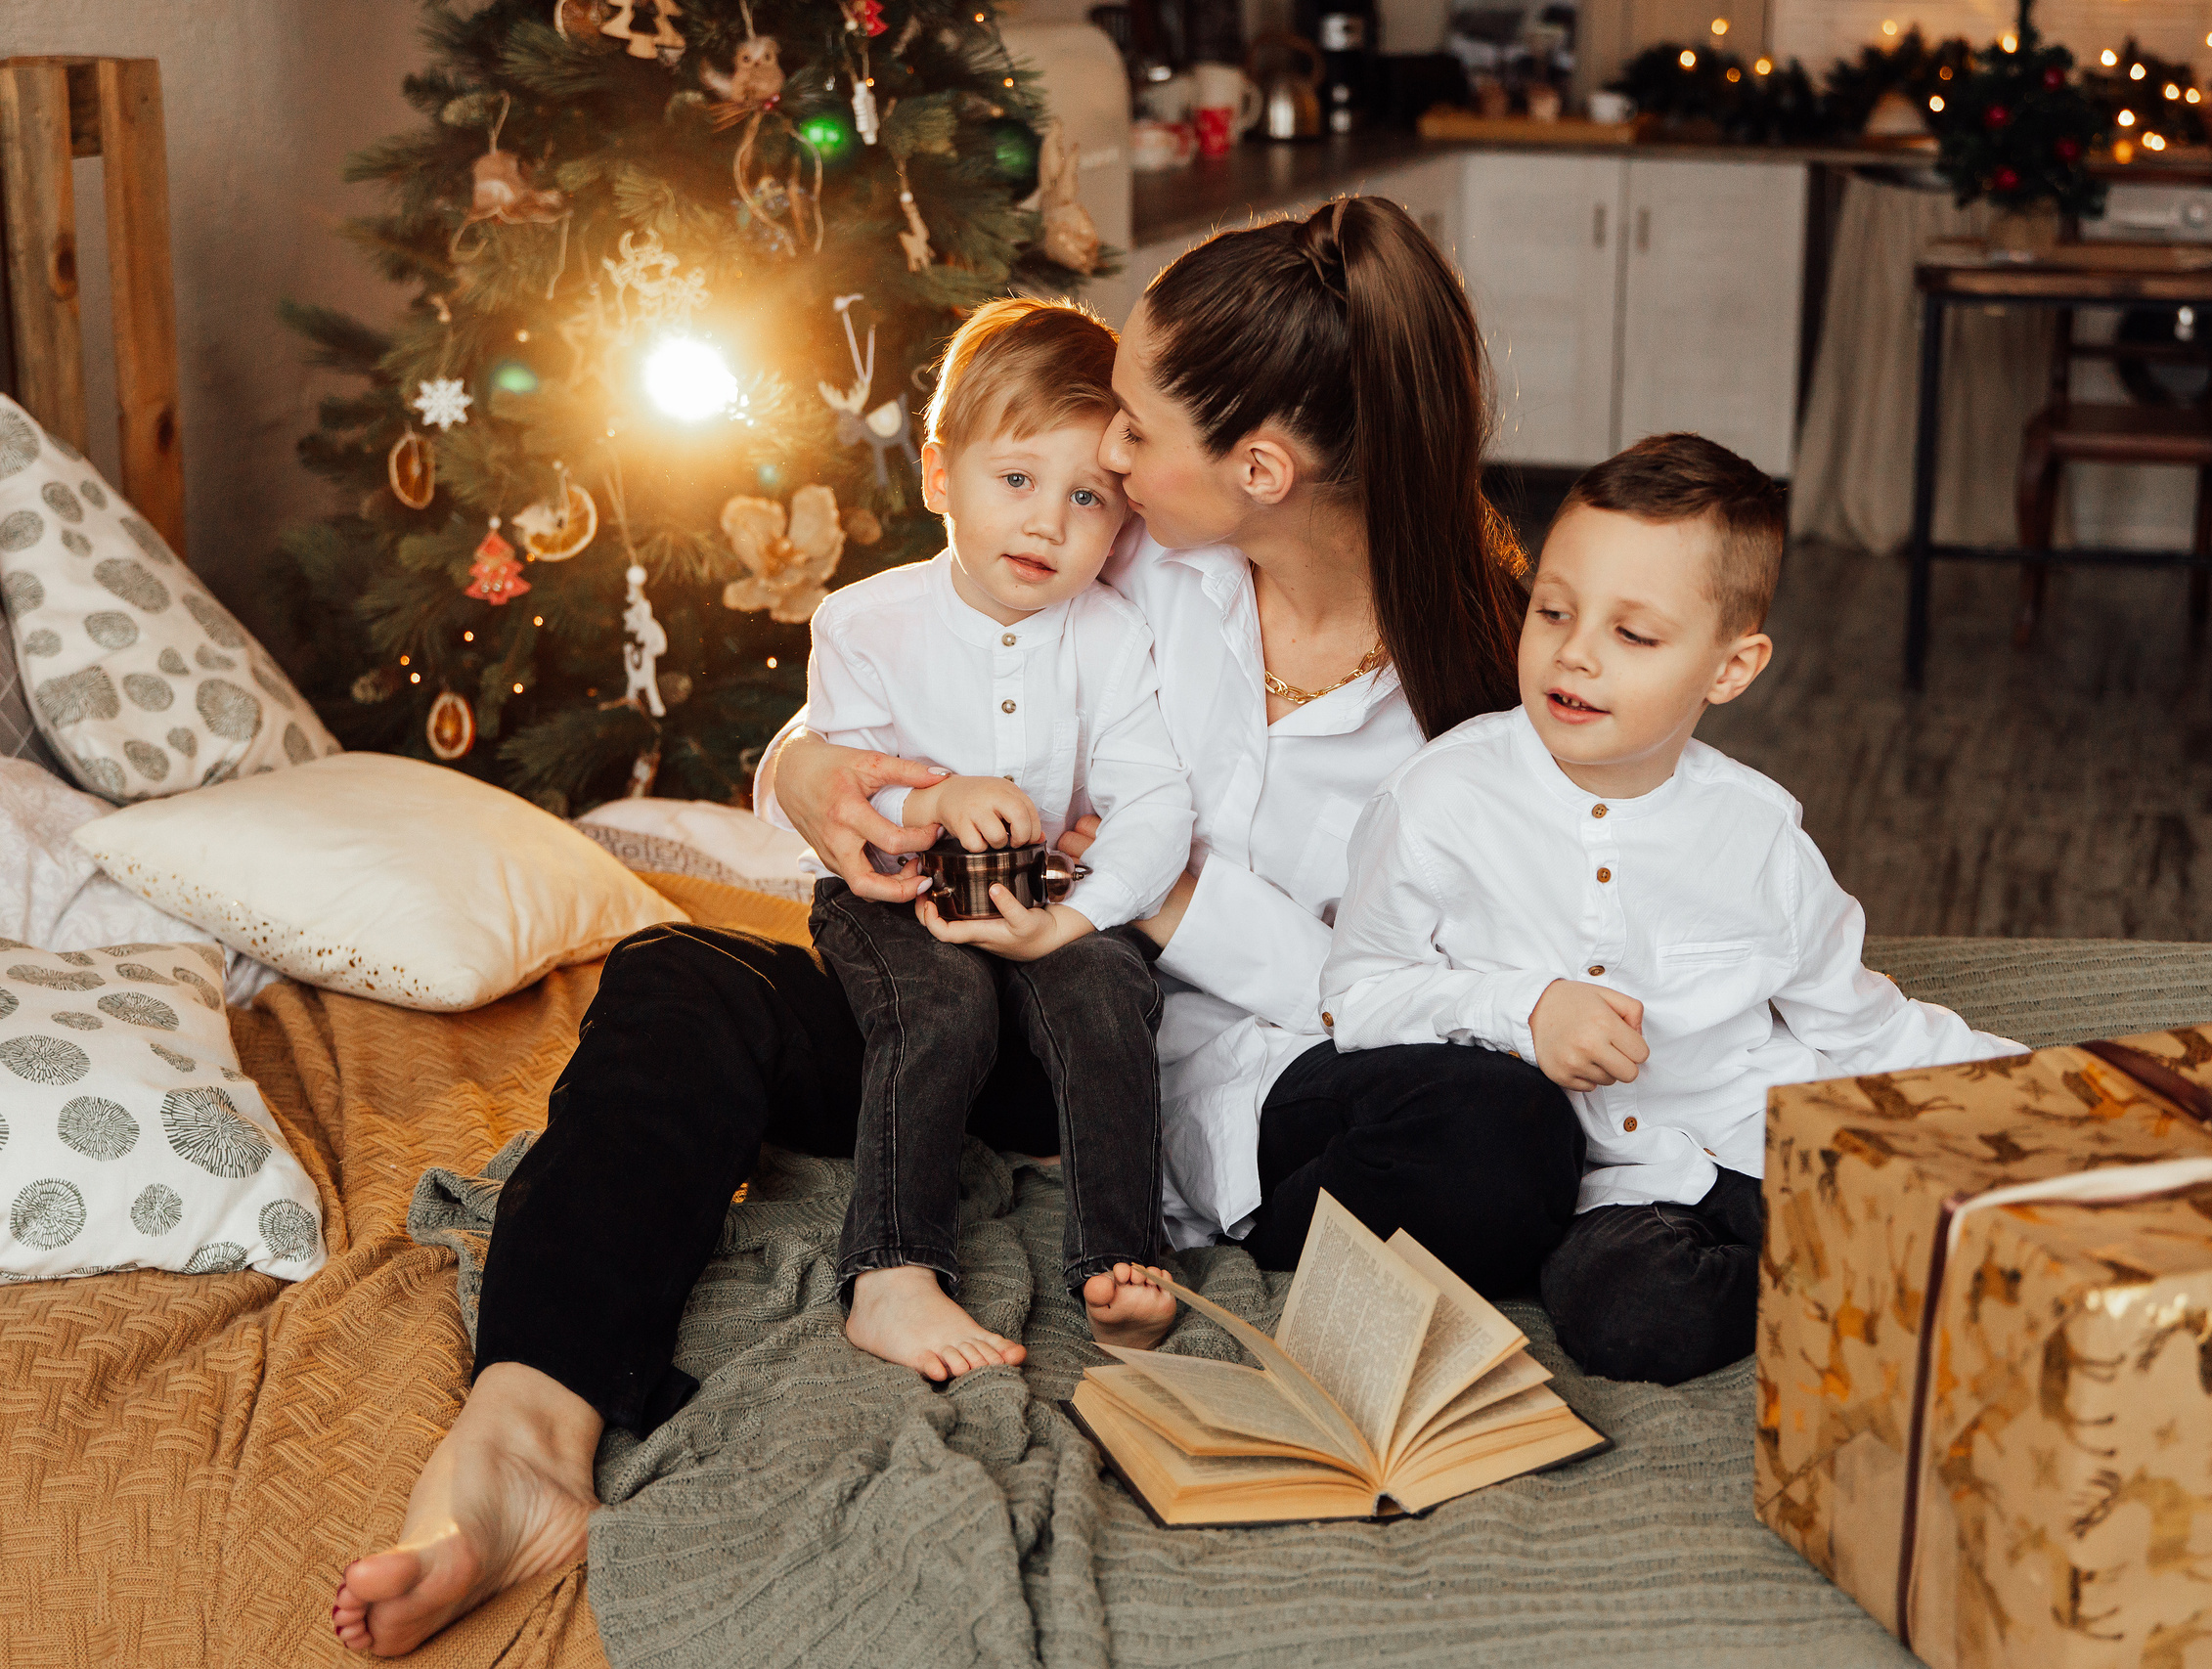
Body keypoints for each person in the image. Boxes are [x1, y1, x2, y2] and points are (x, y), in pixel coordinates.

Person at [333, 196, 1577, 1658]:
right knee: (680, 980)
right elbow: (929, 649)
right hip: (989, 1020)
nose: (1098, 457)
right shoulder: (1138, 555)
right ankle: (525, 1435)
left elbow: (1454, 989)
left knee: (1505, 1136)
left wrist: (1171, 899)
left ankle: (1198, 1216)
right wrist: (805, 768)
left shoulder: (1486, 687)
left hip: (1255, 1087)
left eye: (1132, 430)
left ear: (1257, 469)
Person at [1319, 432, 2024, 1387]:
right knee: (1629, 1319)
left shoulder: (1759, 834)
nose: (1574, 655)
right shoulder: (1440, 799)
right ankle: (1833, 1285)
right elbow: (1356, 998)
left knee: (1977, 1221)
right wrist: (1521, 1008)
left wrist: (2033, 1087)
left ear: (1729, 670)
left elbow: (1859, 1025)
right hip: (1613, 1188)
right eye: (1553, 611)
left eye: (1633, 635)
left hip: (1765, 1133)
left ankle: (1858, 1262)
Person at [793, 296, 1193, 1380]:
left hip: (1046, 892)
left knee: (1110, 991)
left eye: (1086, 498)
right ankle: (891, 1270)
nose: (1046, 524)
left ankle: (1121, 1253)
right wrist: (936, 801)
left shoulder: (1111, 638)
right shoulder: (863, 622)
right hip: (893, 896)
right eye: (1014, 480)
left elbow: (1155, 800)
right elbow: (854, 806)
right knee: (938, 1006)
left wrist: (1079, 914)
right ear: (938, 477)